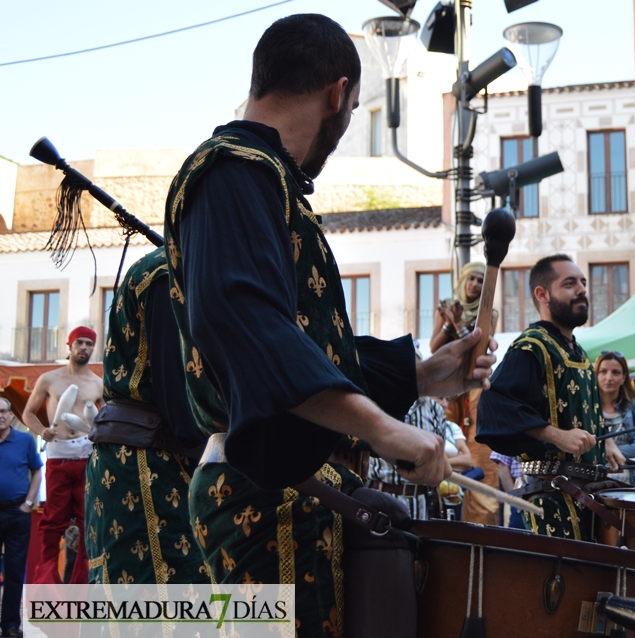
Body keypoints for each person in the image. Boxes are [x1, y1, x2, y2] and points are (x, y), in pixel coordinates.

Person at [161, 14, 496, 637]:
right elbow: (246, 325)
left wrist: (420, 375)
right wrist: (386, 431)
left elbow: (303, 344)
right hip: (263, 497)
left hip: (292, 498)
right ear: (338, 95)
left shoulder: (264, 180)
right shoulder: (232, 169)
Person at [84, 247, 210, 585]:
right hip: (146, 466)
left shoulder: (183, 271)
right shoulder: (165, 275)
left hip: (151, 458)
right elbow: (181, 403)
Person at [476, 254, 624, 540]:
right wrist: (556, 435)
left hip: (587, 496)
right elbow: (494, 407)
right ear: (542, 294)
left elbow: (579, 413)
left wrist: (605, 442)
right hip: (551, 501)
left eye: (582, 282)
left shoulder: (578, 352)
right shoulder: (531, 347)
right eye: (569, 284)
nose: (582, 289)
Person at [22, 326, 103, 585]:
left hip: (86, 456)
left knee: (86, 520)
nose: (84, 348)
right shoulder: (49, 379)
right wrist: (42, 431)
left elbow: (104, 420)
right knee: (52, 521)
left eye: (89, 344)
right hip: (57, 454)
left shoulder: (98, 383)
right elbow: (28, 414)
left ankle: (82, 590)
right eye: (79, 342)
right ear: (69, 346)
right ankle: (46, 586)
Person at [432, 262, 500, 526]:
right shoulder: (445, 306)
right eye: (471, 279)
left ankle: (485, 527)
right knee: (445, 442)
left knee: (481, 447)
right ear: (462, 281)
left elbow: (481, 348)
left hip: (474, 386)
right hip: (445, 385)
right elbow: (434, 345)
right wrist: (450, 323)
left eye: (481, 281)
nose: (475, 285)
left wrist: (458, 323)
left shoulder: (488, 313)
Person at [367, 396, 450, 520]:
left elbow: (437, 457)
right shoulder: (375, 398)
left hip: (420, 504)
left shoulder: (434, 408)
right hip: (380, 498)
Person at [0, 398, 42, 638]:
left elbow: (37, 470)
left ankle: (10, 626)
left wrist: (29, 502)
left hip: (17, 513)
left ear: (9, 414)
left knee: (15, 572)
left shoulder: (25, 440)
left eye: (4, 411)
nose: (1, 416)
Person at [595, 351, 635, 486]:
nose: (609, 377)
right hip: (593, 484)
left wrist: (601, 450)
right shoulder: (587, 408)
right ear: (595, 375)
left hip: (630, 484)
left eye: (615, 372)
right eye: (603, 371)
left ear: (624, 377)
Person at [490, 452, 525, 528]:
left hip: (551, 489)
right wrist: (513, 496)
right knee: (518, 536)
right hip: (521, 491)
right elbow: (502, 463)